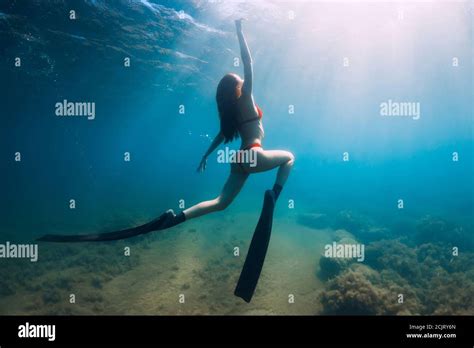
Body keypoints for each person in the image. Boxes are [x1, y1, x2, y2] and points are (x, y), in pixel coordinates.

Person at [37, 19, 294, 243]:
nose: (243, 78)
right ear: (238, 87)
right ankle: (275, 193)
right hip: (254, 154)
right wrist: (239, 29)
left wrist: (206, 155)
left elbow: (220, 135)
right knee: (290, 158)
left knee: (220, 202)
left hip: (240, 160)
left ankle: (176, 218)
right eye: (239, 79)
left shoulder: (231, 113)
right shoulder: (246, 98)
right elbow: (248, 61)